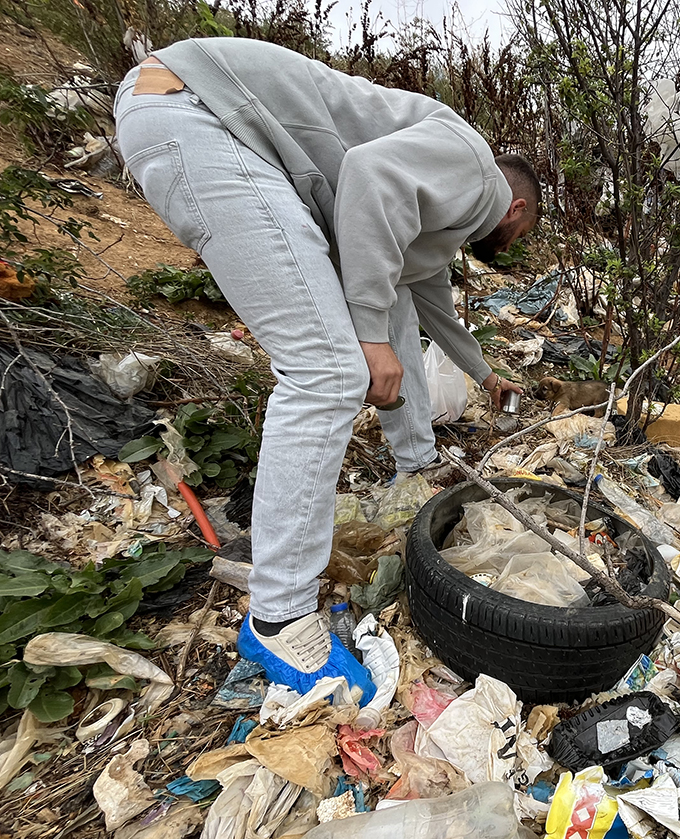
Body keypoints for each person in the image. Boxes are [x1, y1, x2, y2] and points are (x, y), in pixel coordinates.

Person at [113, 38, 536, 701]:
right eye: (525, 231)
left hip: (190, 112)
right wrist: (369, 334)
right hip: (203, 114)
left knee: (337, 358)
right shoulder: (476, 170)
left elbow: (430, 300)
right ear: (515, 211)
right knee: (328, 369)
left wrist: (484, 375)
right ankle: (279, 614)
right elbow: (368, 174)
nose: (515, 244)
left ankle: (290, 590)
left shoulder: (447, 214)